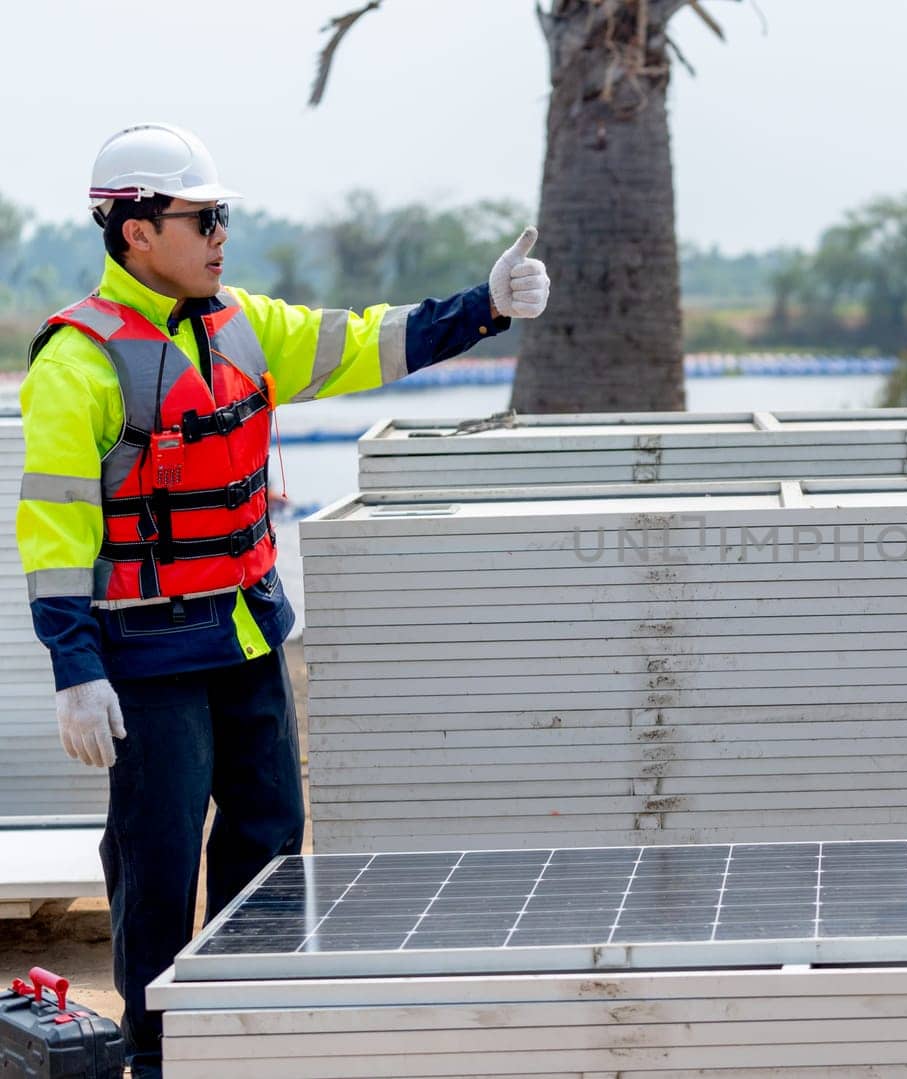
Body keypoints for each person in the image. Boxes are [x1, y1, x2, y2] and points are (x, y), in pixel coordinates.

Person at [15, 121, 551, 1077]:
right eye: (203, 218)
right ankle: (152, 1046)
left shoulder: (244, 323)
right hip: (147, 659)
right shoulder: (77, 362)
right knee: (158, 857)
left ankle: (239, 1023)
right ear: (136, 231)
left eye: (225, 216)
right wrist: (75, 669)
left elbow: (362, 343)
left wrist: (485, 306)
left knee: (268, 840)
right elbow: (57, 533)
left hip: (247, 635)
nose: (222, 234)